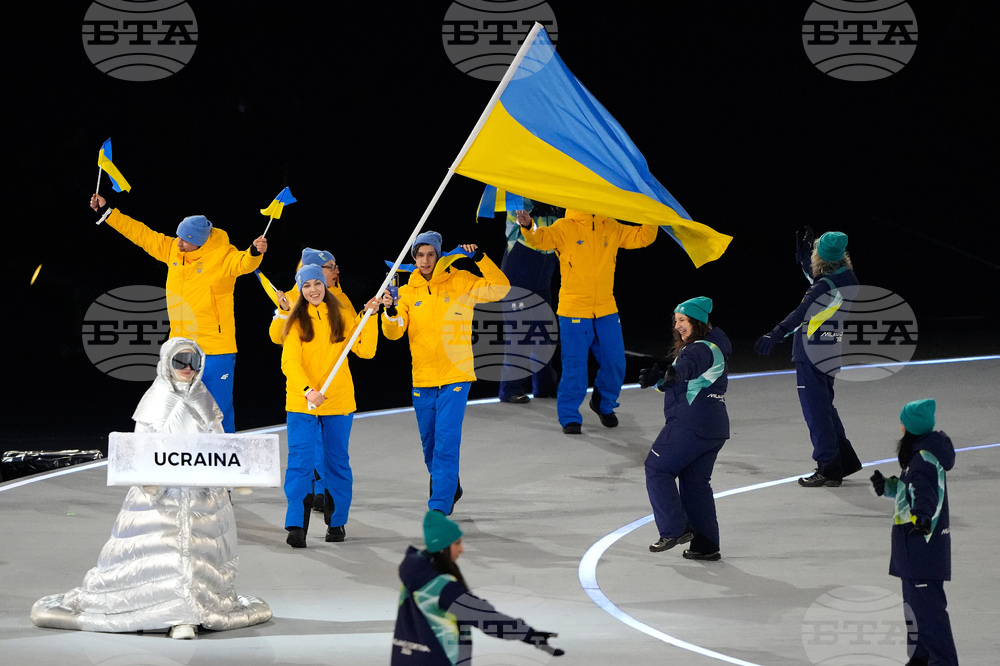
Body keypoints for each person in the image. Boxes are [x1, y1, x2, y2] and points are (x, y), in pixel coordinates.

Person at [30, 338, 271, 638]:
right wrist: (151, 483)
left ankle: (188, 614)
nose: (187, 368)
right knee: (163, 551)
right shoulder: (154, 401)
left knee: (197, 553)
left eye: (193, 362)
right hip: (161, 495)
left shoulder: (205, 399)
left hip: (201, 496)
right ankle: (160, 612)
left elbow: (217, 444)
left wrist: (230, 476)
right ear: (166, 363)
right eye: (179, 361)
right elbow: (141, 447)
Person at [90, 193, 267, 433]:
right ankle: (180, 459)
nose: (179, 242)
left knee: (217, 410)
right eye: (179, 237)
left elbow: (244, 263)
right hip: (181, 347)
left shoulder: (223, 256)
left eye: (186, 239)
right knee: (174, 410)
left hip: (215, 348)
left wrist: (255, 252)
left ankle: (226, 460)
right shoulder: (174, 250)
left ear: (200, 241)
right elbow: (142, 235)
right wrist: (108, 212)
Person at [380, 231, 509, 515]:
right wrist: (389, 311)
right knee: (430, 445)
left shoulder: (461, 280)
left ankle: (439, 505)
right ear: (414, 258)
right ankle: (449, 484)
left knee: (447, 441)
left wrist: (480, 258)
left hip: (456, 375)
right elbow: (394, 331)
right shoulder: (407, 291)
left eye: (430, 254)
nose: (425, 260)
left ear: (439, 255)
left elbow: (500, 289)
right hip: (423, 378)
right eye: (420, 255)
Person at [516, 208, 656, 434]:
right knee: (575, 368)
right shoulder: (565, 226)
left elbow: (643, 237)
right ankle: (570, 415)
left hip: (606, 308)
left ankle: (603, 403)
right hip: (573, 310)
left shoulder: (611, 225)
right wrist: (527, 224)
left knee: (616, 362)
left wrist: (652, 216)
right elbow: (539, 238)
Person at [754, 230, 862, 487]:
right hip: (830, 350)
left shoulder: (823, 286)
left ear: (821, 257)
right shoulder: (848, 278)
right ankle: (843, 460)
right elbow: (818, 277)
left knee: (816, 413)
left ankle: (828, 468)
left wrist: (775, 334)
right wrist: (804, 256)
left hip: (811, 352)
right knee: (825, 407)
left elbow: (802, 313)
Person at [280, 264, 379, 547]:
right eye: (307, 285)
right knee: (300, 463)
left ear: (325, 285)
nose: (313, 290)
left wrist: (369, 318)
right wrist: (307, 390)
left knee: (336, 462)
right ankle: (296, 526)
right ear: (300, 289)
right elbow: (290, 362)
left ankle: (337, 523)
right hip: (302, 403)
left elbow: (366, 351)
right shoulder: (296, 322)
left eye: (317, 283)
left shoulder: (344, 316)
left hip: (338, 401)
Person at [391, 510, 564, 664]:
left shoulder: (414, 574)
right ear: (443, 547)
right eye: (457, 543)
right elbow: (484, 617)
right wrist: (529, 635)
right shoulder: (442, 588)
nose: (462, 549)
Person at [638, 297, 730, 560]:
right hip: (714, 427)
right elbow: (677, 380)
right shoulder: (714, 347)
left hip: (690, 424)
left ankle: (674, 529)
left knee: (657, 467)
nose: (678, 325)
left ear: (697, 322)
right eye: (676, 320)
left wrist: (673, 375)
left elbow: (686, 370)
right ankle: (706, 545)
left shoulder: (698, 349)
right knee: (695, 484)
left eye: (683, 320)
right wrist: (659, 380)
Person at [870, 400, 958, 666]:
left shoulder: (923, 460)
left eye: (903, 423)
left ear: (912, 429)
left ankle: (942, 661)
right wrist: (888, 486)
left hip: (922, 548)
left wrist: (922, 518)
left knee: (929, 614)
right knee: (914, 610)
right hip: (912, 551)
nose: (900, 427)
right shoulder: (919, 456)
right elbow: (909, 491)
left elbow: (924, 494)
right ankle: (921, 658)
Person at [269, 247, 355, 514]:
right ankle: (309, 502)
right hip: (304, 393)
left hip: (334, 392)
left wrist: (371, 317)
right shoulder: (294, 299)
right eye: (330, 266)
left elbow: (359, 343)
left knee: (332, 453)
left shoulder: (340, 302)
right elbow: (278, 339)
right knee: (305, 452)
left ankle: (328, 501)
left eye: (322, 277)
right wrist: (283, 313)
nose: (336, 271)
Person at [497, 199, 561, 404]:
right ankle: (510, 389)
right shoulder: (518, 196)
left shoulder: (556, 198)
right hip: (519, 272)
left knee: (545, 334)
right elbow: (517, 216)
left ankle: (545, 387)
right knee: (520, 333)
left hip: (543, 274)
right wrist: (534, 204)